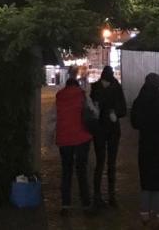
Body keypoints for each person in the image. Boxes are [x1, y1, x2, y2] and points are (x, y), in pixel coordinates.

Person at [130, 72, 159, 227]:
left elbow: (134, 123)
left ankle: (145, 214)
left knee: (147, 180)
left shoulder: (138, 102)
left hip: (146, 146)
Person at [55, 66, 93, 214]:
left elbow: (53, 118)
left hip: (64, 139)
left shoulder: (59, 96)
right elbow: (92, 112)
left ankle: (65, 205)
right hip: (82, 137)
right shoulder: (82, 95)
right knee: (82, 170)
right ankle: (86, 204)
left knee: (66, 171)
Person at [90, 65, 127, 207]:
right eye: (104, 81)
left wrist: (115, 113)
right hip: (101, 129)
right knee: (101, 163)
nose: (105, 83)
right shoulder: (96, 88)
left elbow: (123, 108)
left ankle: (110, 195)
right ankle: (98, 195)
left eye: (107, 81)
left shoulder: (116, 87)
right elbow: (92, 108)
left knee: (110, 163)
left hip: (111, 129)